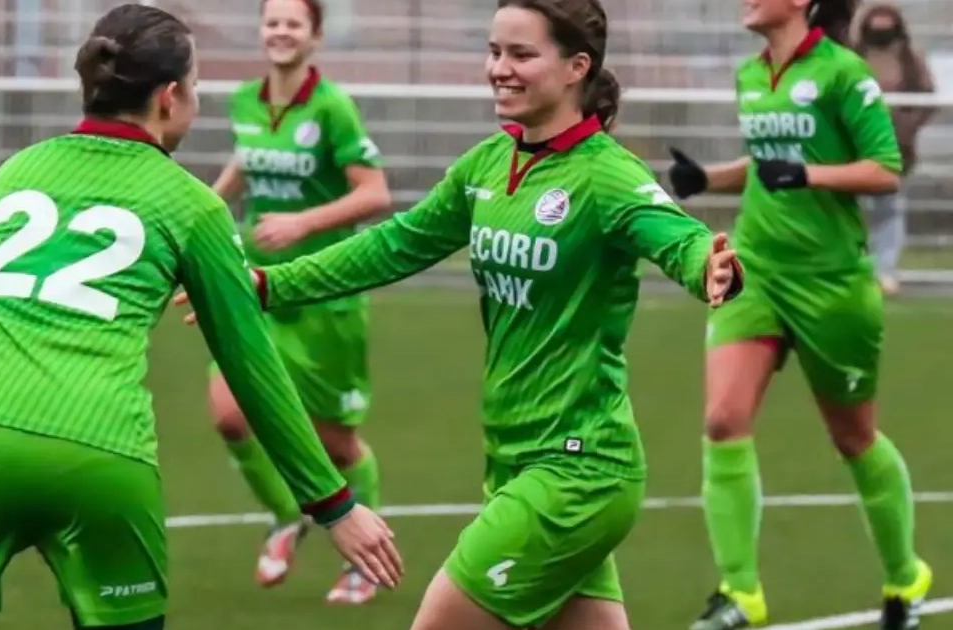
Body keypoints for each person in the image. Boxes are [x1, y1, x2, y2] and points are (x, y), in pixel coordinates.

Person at [179, 0, 743, 627]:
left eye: (522, 54)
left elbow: (675, 235)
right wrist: (265, 284)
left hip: (577, 470)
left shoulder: (606, 175)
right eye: (495, 51)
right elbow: (392, 246)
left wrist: (708, 264)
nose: (500, 68)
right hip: (514, 459)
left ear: (576, 67)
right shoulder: (487, 164)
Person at [0, 5, 402, 630]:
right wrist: (333, 504)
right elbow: (252, 369)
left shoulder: (11, 175)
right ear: (169, 96)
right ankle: (289, 519)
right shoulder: (191, 206)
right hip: (103, 452)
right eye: (197, 86)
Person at [665, 1, 932, 629]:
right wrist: (707, 178)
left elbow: (884, 170)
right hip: (756, 268)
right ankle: (741, 594)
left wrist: (808, 173)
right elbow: (767, 166)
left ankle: (905, 575)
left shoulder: (843, 72)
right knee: (723, 420)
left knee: (854, 437)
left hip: (831, 284)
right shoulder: (750, 74)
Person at [208, 0, 393, 604]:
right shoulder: (245, 100)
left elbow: (375, 195)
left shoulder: (333, 107)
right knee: (230, 415)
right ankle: (287, 517)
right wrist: (206, 208)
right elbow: (247, 162)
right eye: (272, 22)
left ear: (315, 37)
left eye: (294, 23)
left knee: (335, 445)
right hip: (255, 284)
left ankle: (366, 562)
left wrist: (302, 223)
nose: (281, 31)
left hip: (322, 293)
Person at [852, 2, 937, 296]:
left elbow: (927, 98)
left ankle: (884, 271)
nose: (881, 31)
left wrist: (905, 126)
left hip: (896, 149)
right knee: (852, 211)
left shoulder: (911, 60)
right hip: (855, 148)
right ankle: (855, 268)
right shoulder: (852, 59)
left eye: (887, 25)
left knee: (888, 210)